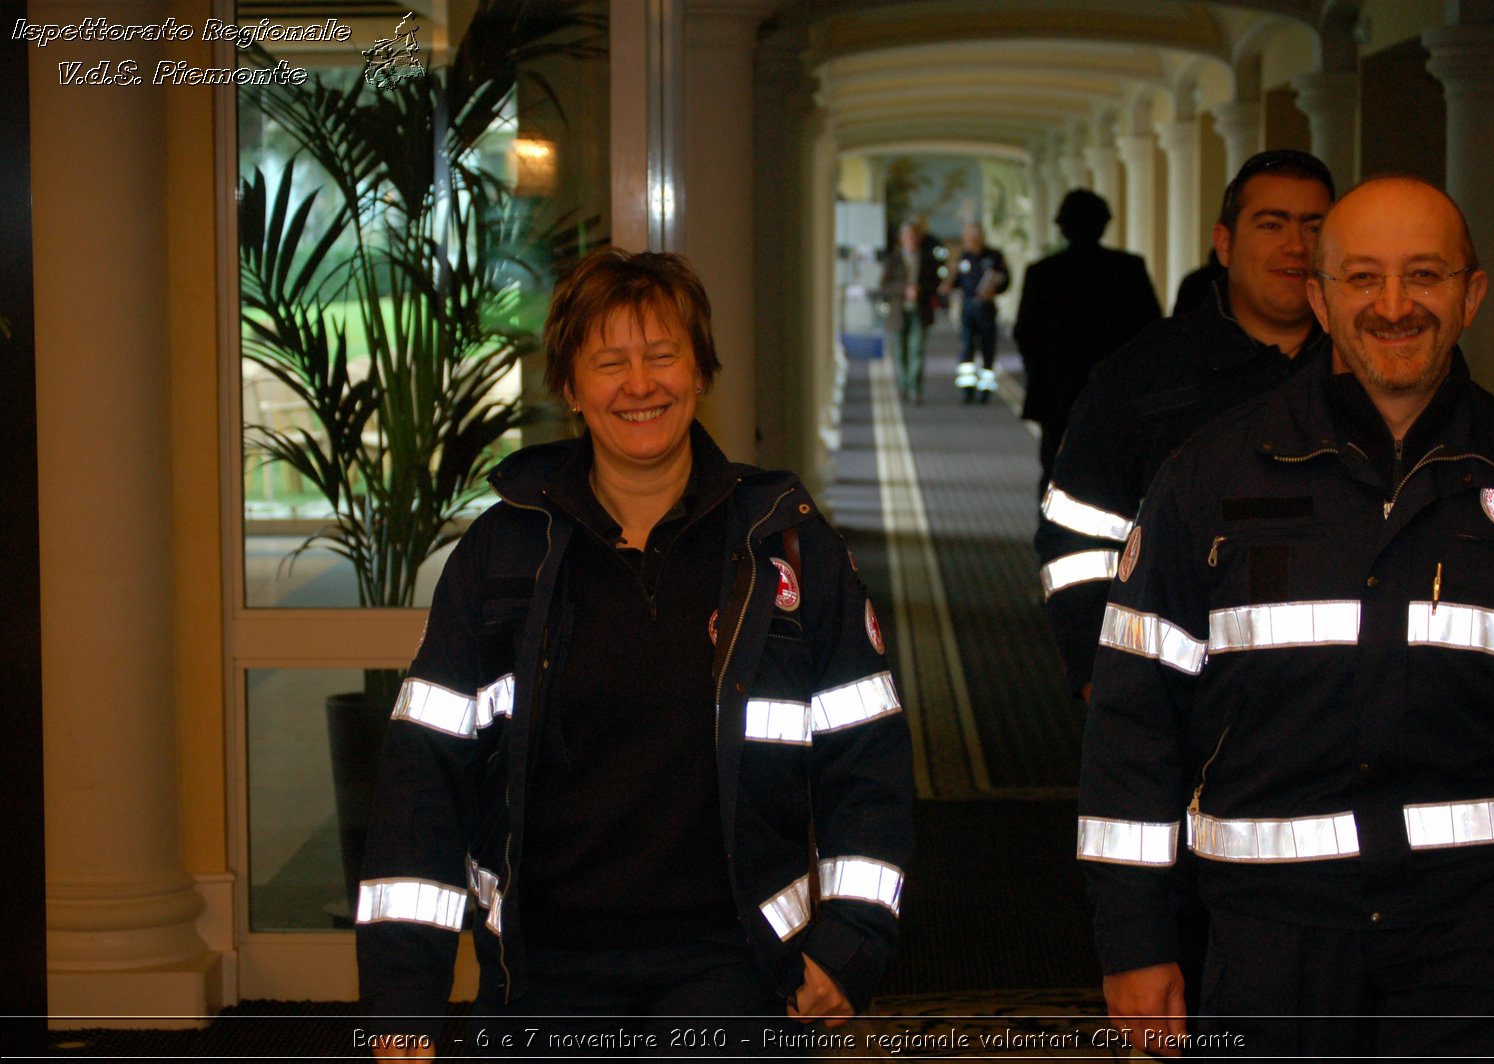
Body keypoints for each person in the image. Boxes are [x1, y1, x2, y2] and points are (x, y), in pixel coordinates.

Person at [1076, 175, 1494, 1058]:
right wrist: (1134, 936)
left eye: (1424, 276)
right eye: (1362, 278)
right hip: (1271, 940)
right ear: (1319, 297)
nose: (1395, 306)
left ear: (1470, 296)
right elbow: (1134, 721)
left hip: (1483, 940)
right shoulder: (1211, 477)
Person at [355, 248, 914, 1057]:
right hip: (545, 969)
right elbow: (425, 774)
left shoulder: (784, 547)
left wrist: (852, 941)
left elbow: (868, 760)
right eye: (609, 362)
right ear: (572, 389)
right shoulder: (504, 553)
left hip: (737, 966)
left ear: (701, 371)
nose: (640, 384)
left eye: (663, 355)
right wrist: (403, 989)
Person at [1036, 150, 1335, 701]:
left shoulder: (1369, 376)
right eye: (1271, 225)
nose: (1296, 246)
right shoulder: (1141, 378)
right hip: (1183, 704)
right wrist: (1099, 679)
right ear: (1224, 244)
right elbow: (1079, 546)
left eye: (1314, 227)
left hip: (1339, 712)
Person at [1013, 189, 1160, 497]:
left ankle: (1053, 537)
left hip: (1057, 394)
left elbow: (1026, 333)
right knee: (1115, 475)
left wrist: (1040, 374)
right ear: (1104, 224)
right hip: (1118, 393)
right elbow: (1150, 330)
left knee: (1055, 469)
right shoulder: (1128, 269)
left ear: (1062, 226)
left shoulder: (1042, 274)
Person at [942, 221, 1009, 403]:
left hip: (986, 308)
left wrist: (995, 290)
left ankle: (986, 389)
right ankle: (967, 388)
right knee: (967, 347)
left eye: (972, 238)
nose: (969, 241)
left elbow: (1005, 280)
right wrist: (948, 285)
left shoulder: (994, 256)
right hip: (968, 308)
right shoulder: (964, 257)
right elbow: (956, 281)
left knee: (988, 348)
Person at [879, 220, 942, 403]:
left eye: (914, 236)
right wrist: (904, 289)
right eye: (908, 236)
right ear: (902, 238)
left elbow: (935, 283)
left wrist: (921, 289)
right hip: (899, 311)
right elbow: (884, 286)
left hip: (919, 311)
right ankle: (903, 386)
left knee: (917, 350)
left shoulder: (928, 260)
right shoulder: (893, 259)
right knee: (900, 351)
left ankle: (915, 389)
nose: (911, 239)